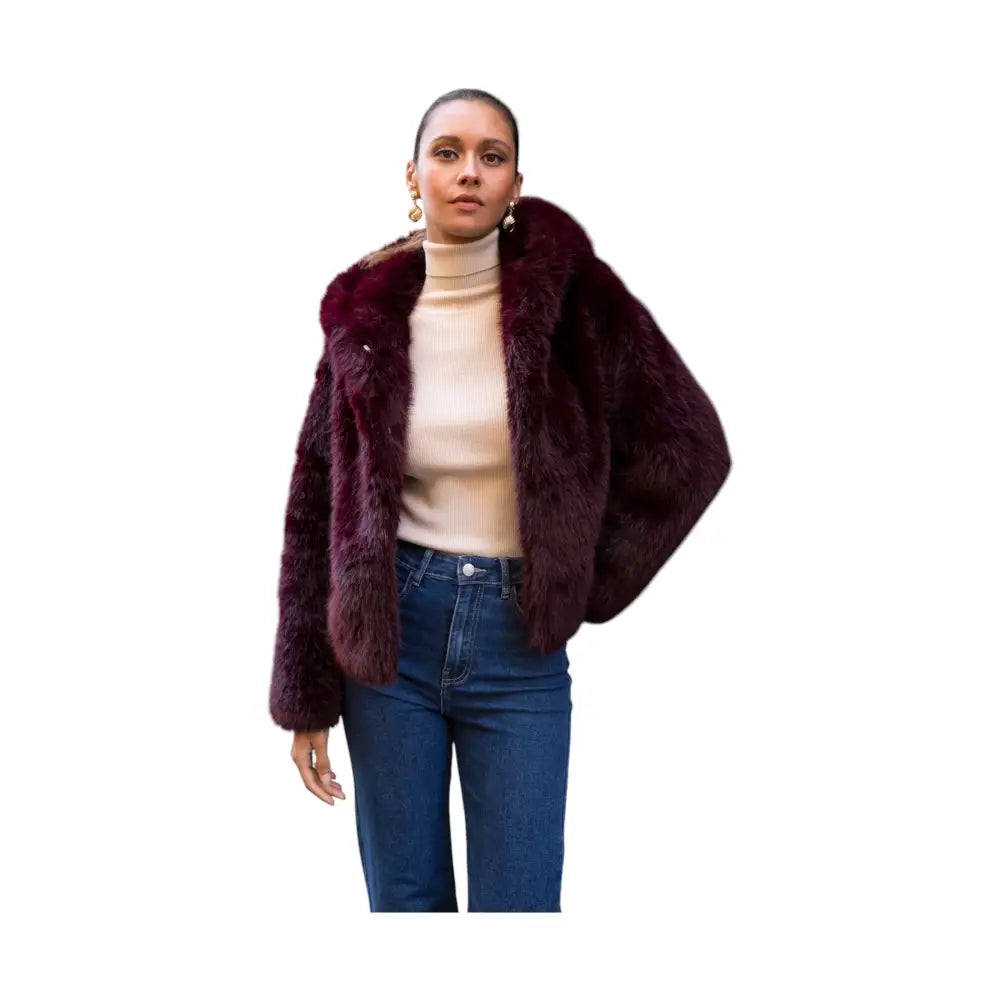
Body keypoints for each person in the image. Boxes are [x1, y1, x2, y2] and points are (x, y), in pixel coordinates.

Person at [268, 88, 732, 912]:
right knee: (406, 907)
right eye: (447, 153)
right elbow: (315, 498)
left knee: (519, 911)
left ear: (516, 182)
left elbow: (689, 450)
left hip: (520, 649)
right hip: (390, 640)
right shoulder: (364, 315)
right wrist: (305, 689)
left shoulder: (573, 300)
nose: (469, 172)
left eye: (492, 156)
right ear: (413, 175)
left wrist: (582, 578)